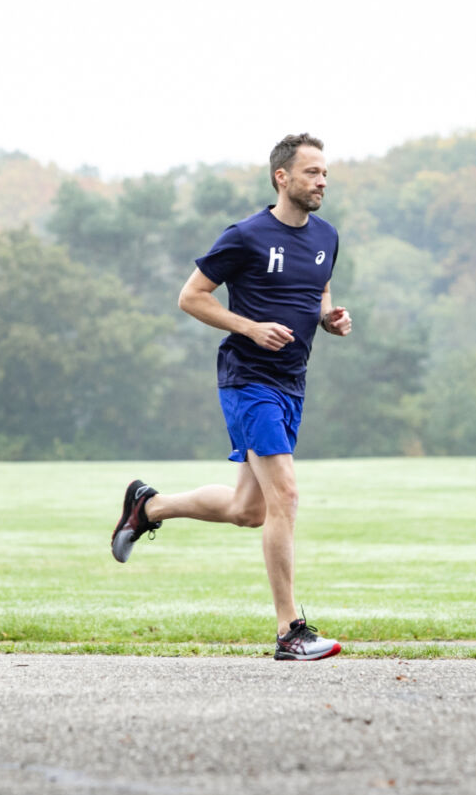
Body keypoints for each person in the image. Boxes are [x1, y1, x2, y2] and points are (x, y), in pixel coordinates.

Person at [110, 133, 350, 662]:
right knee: (285, 497)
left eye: (326, 173)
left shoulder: (327, 236)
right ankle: (290, 631)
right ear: (281, 177)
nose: (323, 182)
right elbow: (190, 297)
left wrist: (331, 319)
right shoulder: (245, 236)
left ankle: (149, 507)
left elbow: (320, 293)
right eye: (312, 173)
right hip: (249, 379)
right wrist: (250, 328)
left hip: (293, 382)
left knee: (249, 510)